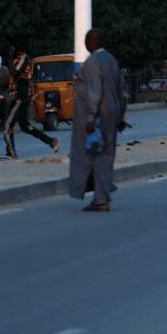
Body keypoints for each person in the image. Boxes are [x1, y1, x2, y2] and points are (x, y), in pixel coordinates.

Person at [69, 28, 127, 212]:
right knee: (106, 155)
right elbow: (120, 91)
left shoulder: (92, 62)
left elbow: (95, 91)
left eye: (88, 40)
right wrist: (121, 116)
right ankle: (102, 196)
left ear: (92, 42)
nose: (86, 44)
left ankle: (100, 198)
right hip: (112, 114)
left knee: (90, 155)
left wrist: (90, 118)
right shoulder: (112, 60)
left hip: (98, 116)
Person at [2, 44, 60, 160]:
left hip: (20, 98)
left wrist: (9, 59)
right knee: (25, 126)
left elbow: (16, 73)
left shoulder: (23, 58)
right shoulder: (17, 60)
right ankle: (51, 141)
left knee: (7, 125)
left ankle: (11, 153)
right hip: (20, 98)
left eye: (12, 50)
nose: (10, 52)